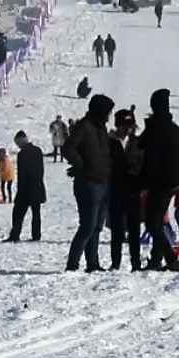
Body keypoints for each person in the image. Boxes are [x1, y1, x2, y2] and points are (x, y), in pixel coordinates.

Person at [62, 94, 114, 272]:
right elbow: (68, 149)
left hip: (104, 181)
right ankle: (72, 265)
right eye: (107, 112)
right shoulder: (83, 127)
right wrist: (83, 167)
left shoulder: (101, 128)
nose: (109, 116)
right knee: (87, 226)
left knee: (97, 226)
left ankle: (93, 263)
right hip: (88, 184)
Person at [138, 89, 179, 271]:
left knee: (151, 222)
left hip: (159, 181)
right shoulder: (175, 129)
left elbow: (151, 159)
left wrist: (143, 183)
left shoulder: (156, 130)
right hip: (173, 181)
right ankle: (157, 259)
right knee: (157, 220)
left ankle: (171, 258)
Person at [108, 108, 143, 271]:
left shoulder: (137, 142)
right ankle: (115, 262)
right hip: (115, 189)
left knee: (134, 228)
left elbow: (143, 163)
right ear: (118, 125)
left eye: (130, 125)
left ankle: (136, 262)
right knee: (117, 229)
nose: (128, 129)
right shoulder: (109, 142)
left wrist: (137, 173)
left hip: (134, 190)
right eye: (124, 125)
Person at [5, 131, 46, 242]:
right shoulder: (38, 151)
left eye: (17, 143)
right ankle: (36, 235)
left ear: (21, 140)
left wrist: (20, 190)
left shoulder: (23, 154)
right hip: (37, 186)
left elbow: (22, 173)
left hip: (26, 189)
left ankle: (15, 235)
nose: (17, 145)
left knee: (18, 213)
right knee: (36, 213)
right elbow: (41, 169)